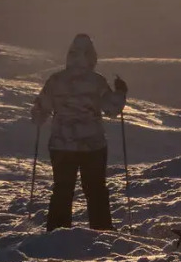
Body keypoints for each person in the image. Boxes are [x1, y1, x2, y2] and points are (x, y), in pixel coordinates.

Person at [32, 33, 127, 231]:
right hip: (92, 145)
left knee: (62, 190)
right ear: (91, 56)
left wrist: (40, 114)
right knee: (95, 191)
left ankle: (58, 233)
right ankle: (102, 232)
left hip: (61, 145)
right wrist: (121, 93)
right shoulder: (97, 82)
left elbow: (40, 112)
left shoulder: (56, 80)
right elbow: (111, 110)